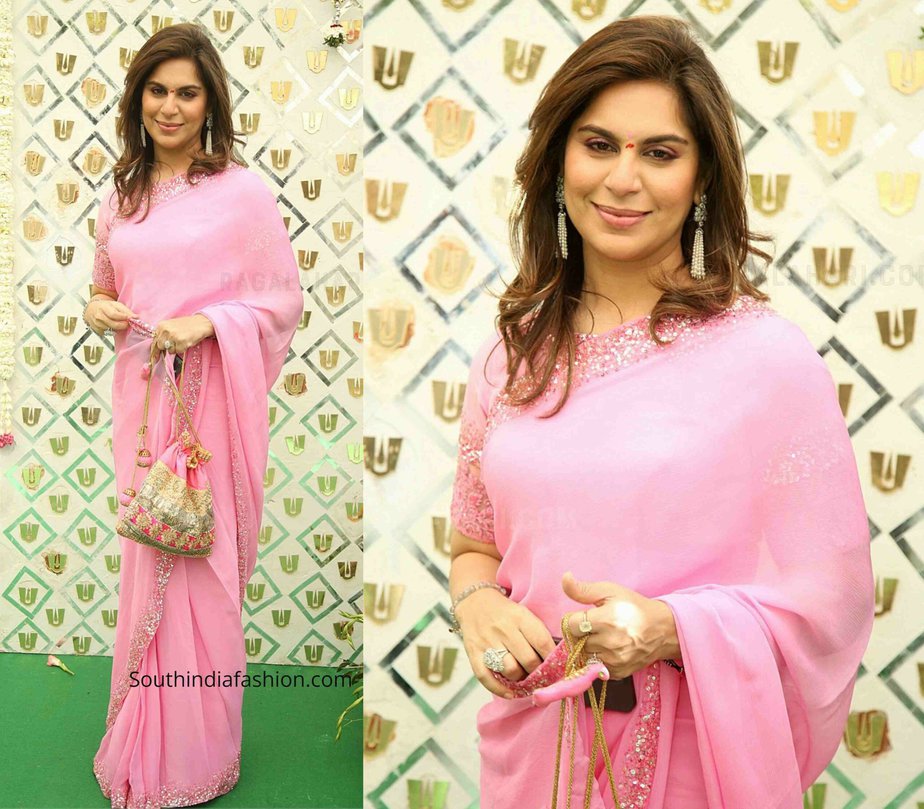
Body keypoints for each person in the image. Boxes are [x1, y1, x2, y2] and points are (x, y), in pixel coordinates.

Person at [448, 16, 875, 809]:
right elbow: (475, 545)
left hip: (690, 764)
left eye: (660, 152)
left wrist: (672, 629)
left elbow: (834, 601)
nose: (623, 178)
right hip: (534, 756)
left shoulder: (767, 361)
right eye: (599, 144)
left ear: (702, 177)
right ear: (559, 160)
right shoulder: (508, 359)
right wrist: (476, 607)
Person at [84, 23, 302, 807]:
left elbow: (280, 302)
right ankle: (142, 735)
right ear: (137, 98)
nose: (169, 107)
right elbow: (104, 285)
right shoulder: (122, 194)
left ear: (210, 104)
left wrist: (208, 322)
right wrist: (97, 308)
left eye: (187, 92)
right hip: (142, 399)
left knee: (198, 561)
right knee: (149, 549)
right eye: (156, 90)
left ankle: (195, 752)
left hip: (207, 403)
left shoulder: (240, 193)